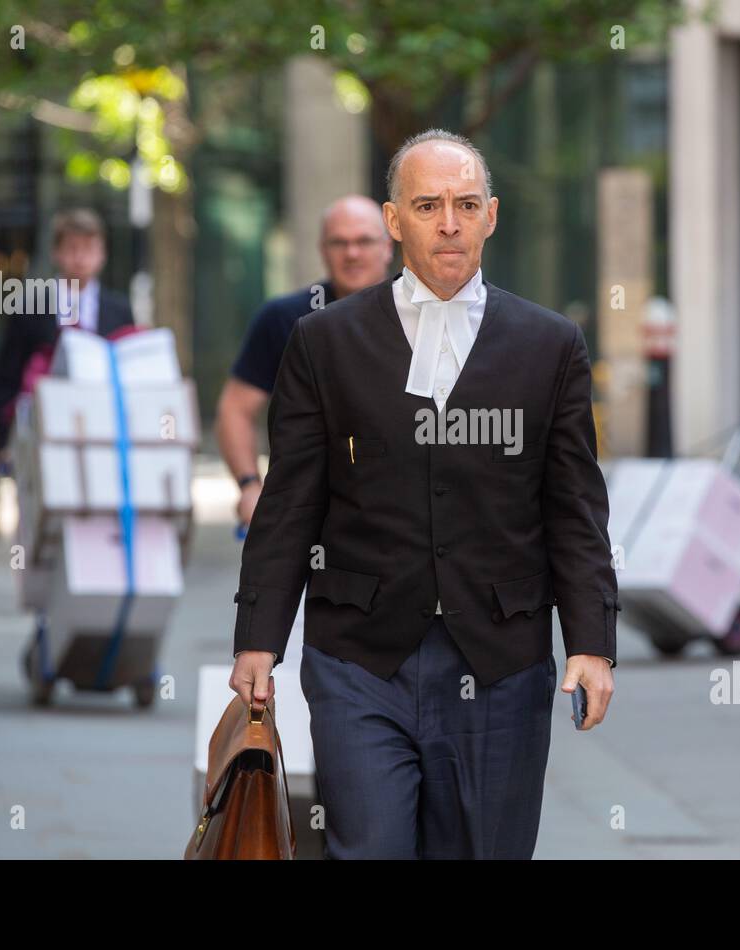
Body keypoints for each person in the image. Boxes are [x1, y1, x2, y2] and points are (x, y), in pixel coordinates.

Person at [228, 129, 618, 859]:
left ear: (492, 216)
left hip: (500, 660)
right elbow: (290, 503)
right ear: (393, 219)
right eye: (428, 205)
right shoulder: (325, 342)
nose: (449, 224)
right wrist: (259, 638)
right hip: (359, 658)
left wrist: (593, 644)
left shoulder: (549, 345)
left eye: (466, 204)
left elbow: (574, 508)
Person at [217, 196, 392, 527]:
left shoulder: (423, 314)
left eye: (364, 241)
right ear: (322, 250)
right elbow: (235, 409)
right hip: (306, 512)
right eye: (338, 242)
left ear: (388, 246)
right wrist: (249, 485)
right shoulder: (283, 318)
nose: (351, 253)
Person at [0, 208, 134, 454]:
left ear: (102, 255)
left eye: (88, 249)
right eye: (72, 248)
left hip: (103, 435)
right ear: (57, 253)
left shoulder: (119, 311)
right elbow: (7, 378)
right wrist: (6, 440)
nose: (80, 258)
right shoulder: (29, 310)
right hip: (42, 435)